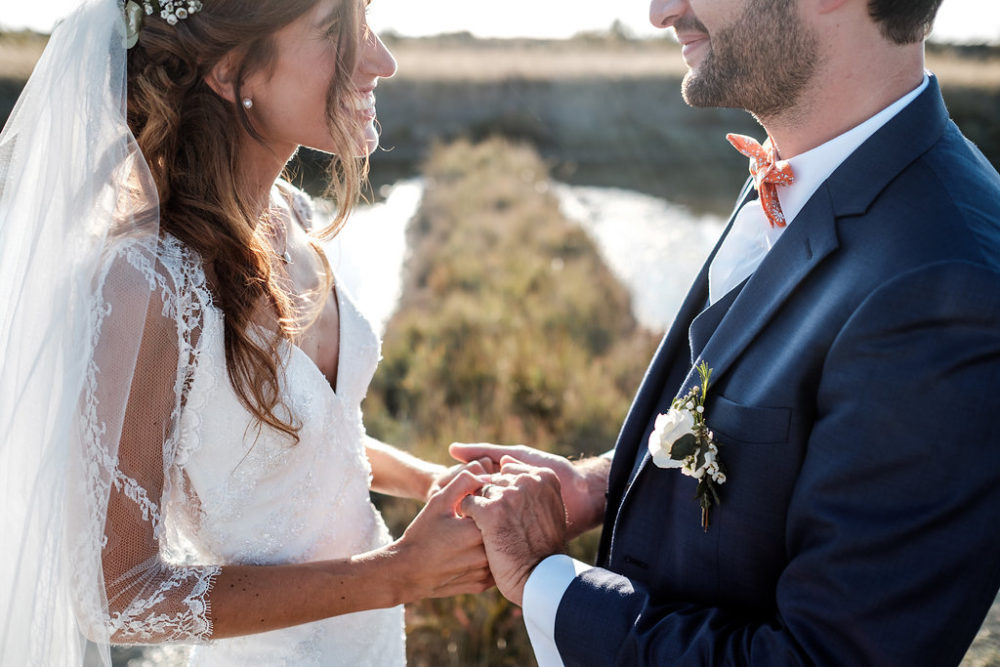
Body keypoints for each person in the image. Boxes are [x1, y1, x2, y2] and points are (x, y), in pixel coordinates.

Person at [454, 0, 1000, 664]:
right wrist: (602, 483)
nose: (661, 11)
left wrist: (545, 581)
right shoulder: (807, 165)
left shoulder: (948, 285)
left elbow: (820, 655)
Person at [0, 1, 494, 665]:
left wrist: (430, 478)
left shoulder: (290, 213)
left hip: (372, 644)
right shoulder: (144, 286)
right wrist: (393, 574)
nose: (381, 62)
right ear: (232, 72)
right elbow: (115, 596)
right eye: (340, 35)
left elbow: (302, 435)